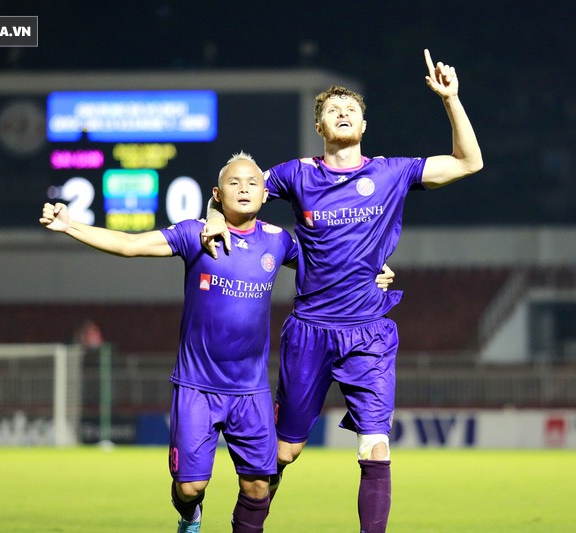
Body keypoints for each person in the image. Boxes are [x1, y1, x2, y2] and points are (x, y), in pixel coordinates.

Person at [201, 49, 483, 532]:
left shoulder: (390, 173)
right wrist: (210, 221)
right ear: (321, 127)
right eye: (333, 110)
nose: (344, 113)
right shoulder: (296, 175)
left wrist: (451, 100)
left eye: (352, 109)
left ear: (364, 126)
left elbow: (468, 162)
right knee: (284, 452)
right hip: (309, 331)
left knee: (375, 446)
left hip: (369, 331)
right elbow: (234, 191)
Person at [40, 153, 394, 531]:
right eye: (234, 183)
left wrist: (373, 271)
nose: (244, 189)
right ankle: (190, 515)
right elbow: (130, 244)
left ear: (264, 194)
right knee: (190, 487)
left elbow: (329, 263)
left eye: (253, 183)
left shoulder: (278, 243)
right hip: (197, 388)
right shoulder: (196, 234)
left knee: (259, 485)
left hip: (251, 392)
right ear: (217, 194)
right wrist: (69, 225)